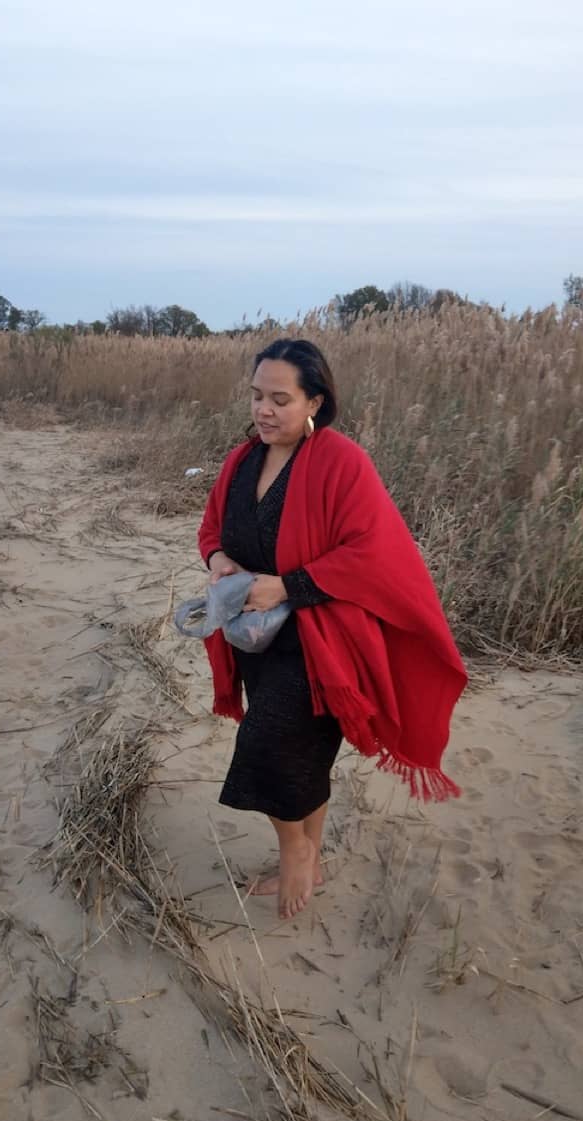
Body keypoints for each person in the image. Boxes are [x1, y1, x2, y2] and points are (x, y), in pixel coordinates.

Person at [198, 338, 467, 920]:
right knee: (302, 756)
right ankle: (311, 854)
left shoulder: (343, 462)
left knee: (267, 743)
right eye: (256, 397)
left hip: (323, 646)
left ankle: (296, 850)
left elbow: (376, 551)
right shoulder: (241, 461)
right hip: (255, 638)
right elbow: (212, 528)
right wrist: (219, 560)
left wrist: (288, 585)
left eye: (280, 399)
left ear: (314, 401)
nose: (264, 411)